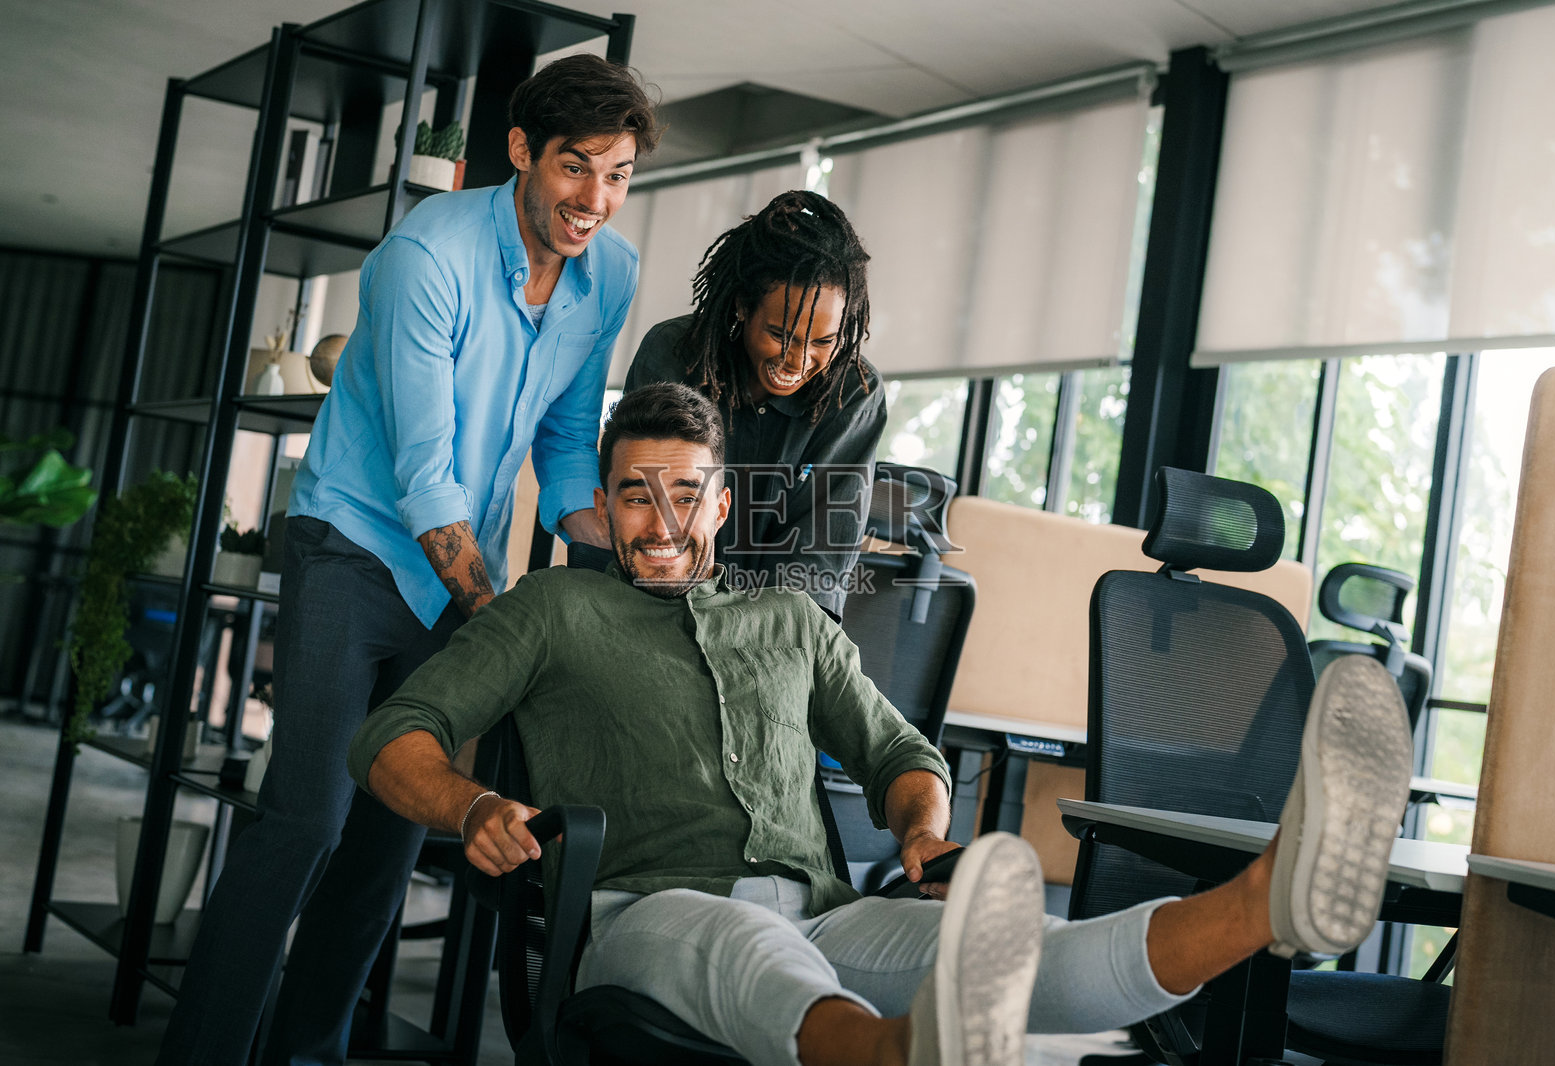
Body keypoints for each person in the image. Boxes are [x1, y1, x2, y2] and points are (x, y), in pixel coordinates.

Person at [347, 383, 1419, 1066]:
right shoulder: (553, 607)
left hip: (829, 915)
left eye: (685, 495)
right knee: (748, 950)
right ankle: (902, 1051)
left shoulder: (788, 621)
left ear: (721, 505)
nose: (662, 520)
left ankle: (1264, 897)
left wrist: (921, 831)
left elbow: (900, 751)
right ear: (604, 502)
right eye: (636, 495)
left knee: (1023, 949)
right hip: (648, 910)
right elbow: (393, 733)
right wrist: (473, 805)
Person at [156, 55, 660, 1066]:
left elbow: (566, 443)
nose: (595, 199)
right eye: (575, 166)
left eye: (617, 175)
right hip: (353, 547)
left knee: (388, 840)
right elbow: (426, 479)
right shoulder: (425, 255)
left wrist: (633, 548)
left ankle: (306, 1053)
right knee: (305, 818)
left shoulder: (610, 273)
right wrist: (509, 627)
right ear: (520, 151)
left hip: (450, 581)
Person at [624, 190, 885, 619]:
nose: (798, 362)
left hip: (776, 626)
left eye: (824, 341)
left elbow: (820, 555)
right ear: (744, 306)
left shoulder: (853, 391)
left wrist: (768, 640)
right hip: (659, 605)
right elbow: (650, 513)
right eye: (781, 335)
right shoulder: (673, 355)